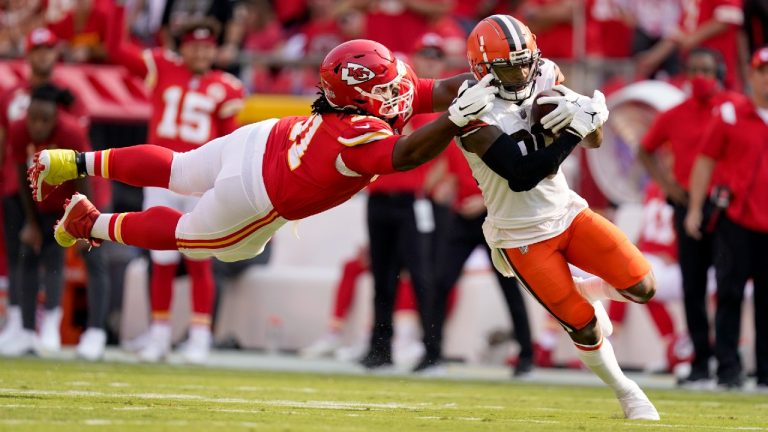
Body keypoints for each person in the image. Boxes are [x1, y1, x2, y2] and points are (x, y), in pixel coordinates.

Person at [28, 38, 497, 303]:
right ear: (356, 94)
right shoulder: (358, 133)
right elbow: (407, 155)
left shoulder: (359, 100)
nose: (400, 92)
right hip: (258, 194)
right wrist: (455, 120)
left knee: (180, 167)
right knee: (190, 238)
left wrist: (496, 79)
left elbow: (438, 89)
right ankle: (92, 223)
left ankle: (74, 163)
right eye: (387, 87)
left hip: (264, 138)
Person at [453, 15, 659, 419]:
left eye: (526, 62)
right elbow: (521, 176)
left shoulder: (545, 74)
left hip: (567, 212)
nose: (523, 74)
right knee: (582, 326)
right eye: (510, 67)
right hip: (519, 234)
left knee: (644, 287)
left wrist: (588, 118)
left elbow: (594, 138)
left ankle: (588, 289)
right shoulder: (471, 110)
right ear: (483, 70)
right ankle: (628, 392)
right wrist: (573, 132)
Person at [104, 9, 245, 364]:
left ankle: (199, 336)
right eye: (194, 46)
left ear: (215, 49)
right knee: (162, 258)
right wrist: (118, 9)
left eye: (207, 47)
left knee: (201, 258)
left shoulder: (226, 86)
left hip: (200, 181)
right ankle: (160, 334)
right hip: (162, 177)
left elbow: (231, 138)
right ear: (181, 47)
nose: (201, 53)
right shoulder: (162, 66)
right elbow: (114, 49)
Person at [637, 47, 744, 387]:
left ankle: (729, 364)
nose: (700, 77)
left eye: (706, 70)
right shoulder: (675, 114)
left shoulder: (733, 109)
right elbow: (645, 148)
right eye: (694, 69)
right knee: (693, 286)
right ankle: (700, 361)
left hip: (726, 206)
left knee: (729, 286)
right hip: (687, 206)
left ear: (720, 75)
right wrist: (668, 185)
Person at [684, 46, 768, 390]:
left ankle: (765, 372)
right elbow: (705, 160)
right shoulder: (731, 112)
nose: (767, 78)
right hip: (736, 218)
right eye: (762, 70)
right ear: (751, 74)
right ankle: (728, 370)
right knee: (729, 294)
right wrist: (694, 208)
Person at [415, 141, 534, 377]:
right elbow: (447, 174)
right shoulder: (453, 138)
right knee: (440, 283)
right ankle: (431, 354)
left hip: (493, 217)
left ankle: (526, 356)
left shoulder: (492, 133)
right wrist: (442, 187)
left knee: (509, 285)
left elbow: (513, 175)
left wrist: (484, 201)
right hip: (461, 218)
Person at [0, 85, 88, 356]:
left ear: (55, 118)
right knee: (26, 255)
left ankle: (51, 325)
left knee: (54, 257)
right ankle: (26, 331)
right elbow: (20, 175)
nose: (37, 126)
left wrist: (83, 222)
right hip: (34, 200)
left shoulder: (71, 131)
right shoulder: (17, 128)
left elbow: (83, 180)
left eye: (44, 120)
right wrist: (32, 222)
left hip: (66, 198)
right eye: (33, 119)